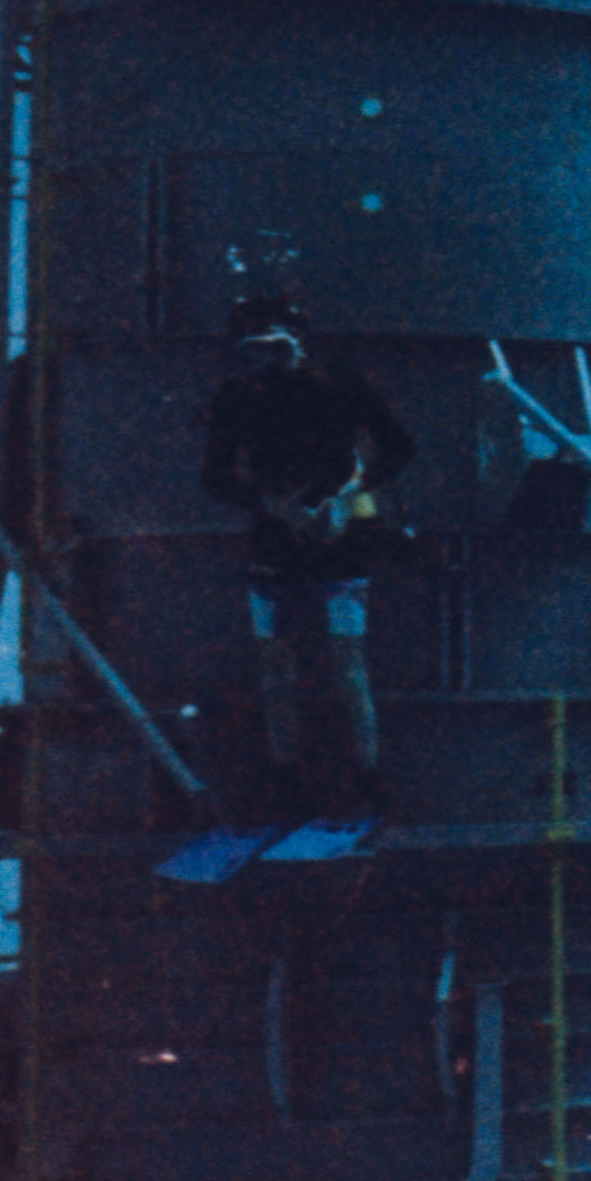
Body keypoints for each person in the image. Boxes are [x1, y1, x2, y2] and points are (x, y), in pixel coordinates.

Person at [199, 296, 415, 811]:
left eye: (275, 341)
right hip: (276, 542)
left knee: (348, 663)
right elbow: (214, 475)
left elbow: (399, 446)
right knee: (278, 667)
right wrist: (273, 506)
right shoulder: (237, 395)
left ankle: (366, 775)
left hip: (333, 539)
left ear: (298, 338)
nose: (266, 355)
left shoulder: (338, 383)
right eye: (254, 345)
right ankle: (288, 775)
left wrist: (342, 497)